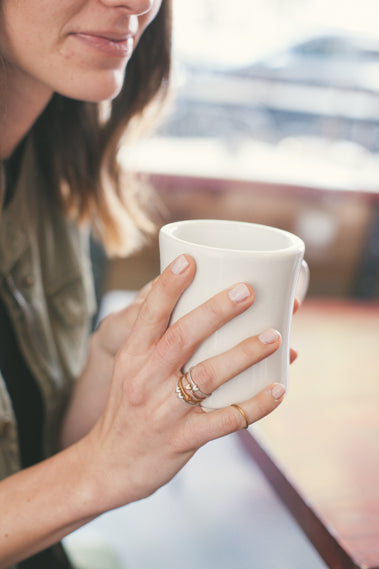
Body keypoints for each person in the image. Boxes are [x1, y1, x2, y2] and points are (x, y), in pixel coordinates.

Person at [0, 1, 291, 568]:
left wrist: (111, 359)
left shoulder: (58, 175)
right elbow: (78, 474)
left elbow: (31, 457)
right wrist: (101, 470)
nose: (136, 1)